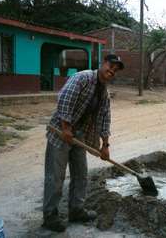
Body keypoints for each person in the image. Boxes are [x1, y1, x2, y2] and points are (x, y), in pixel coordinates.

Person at [43, 54, 124, 232]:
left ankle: (76, 210)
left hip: (78, 135)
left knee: (81, 174)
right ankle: (50, 216)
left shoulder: (104, 93)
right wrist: (65, 128)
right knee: (55, 176)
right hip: (61, 131)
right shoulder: (83, 77)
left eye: (115, 70)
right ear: (103, 63)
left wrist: (105, 145)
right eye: (111, 66)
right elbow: (65, 99)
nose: (112, 71)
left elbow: (104, 118)